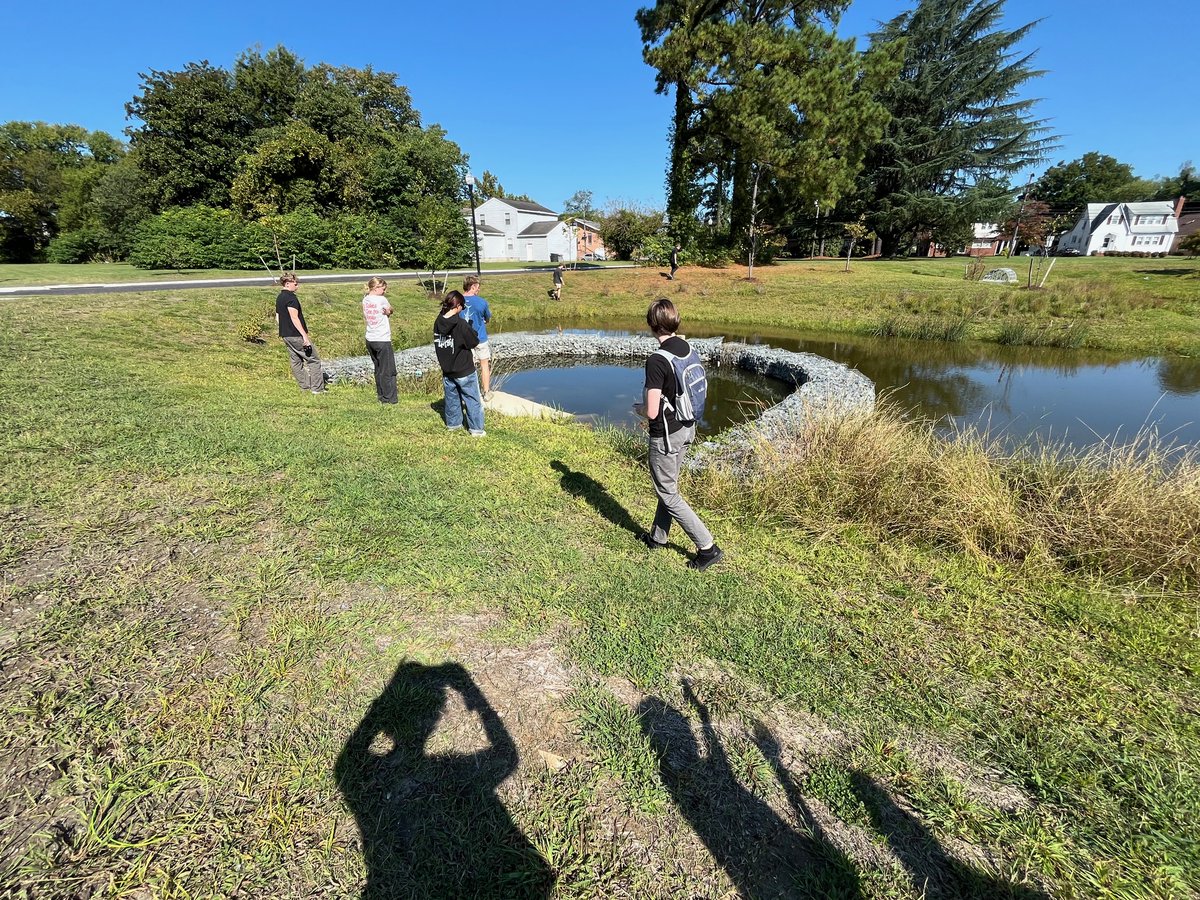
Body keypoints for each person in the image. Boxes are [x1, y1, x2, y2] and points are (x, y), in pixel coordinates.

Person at [634, 298, 722, 570]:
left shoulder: (657, 360)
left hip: (666, 436)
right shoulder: (687, 348)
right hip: (687, 427)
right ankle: (657, 538)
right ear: (674, 322)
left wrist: (637, 408)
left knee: (669, 493)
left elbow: (650, 411)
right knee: (668, 488)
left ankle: (707, 548)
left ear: (652, 325)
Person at [433, 290, 485, 436]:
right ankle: (476, 429)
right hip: (464, 369)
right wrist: (470, 328)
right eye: (462, 306)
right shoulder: (460, 324)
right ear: (457, 306)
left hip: (447, 369)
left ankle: (453, 425)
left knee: (452, 398)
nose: (462, 309)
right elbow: (473, 342)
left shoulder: (438, 321)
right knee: (472, 399)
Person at [275, 272, 325, 393]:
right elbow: (294, 317)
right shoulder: (291, 298)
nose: (297, 286)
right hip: (296, 334)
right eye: (295, 284)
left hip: (285, 334)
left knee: (296, 361)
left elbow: (277, 317)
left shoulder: (280, 297)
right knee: (314, 359)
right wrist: (305, 336)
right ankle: (317, 389)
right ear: (287, 284)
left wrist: (283, 328)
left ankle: (304, 387)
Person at [362, 276, 397, 404]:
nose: (384, 291)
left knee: (378, 369)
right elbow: (391, 309)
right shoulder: (381, 299)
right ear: (376, 288)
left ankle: (381, 395)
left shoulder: (365, 299)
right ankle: (390, 398)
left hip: (370, 337)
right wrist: (388, 311)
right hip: (382, 338)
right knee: (388, 370)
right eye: (383, 288)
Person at [461, 275, 494, 401]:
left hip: (464, 340)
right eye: (478, 287)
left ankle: (471, 392)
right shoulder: (482, 302)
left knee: (468, 367)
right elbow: (487, 318)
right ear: (473, 286)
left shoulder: (458, 301)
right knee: (484, 365)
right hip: (480, 338)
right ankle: (486, 392)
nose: (478, 290)